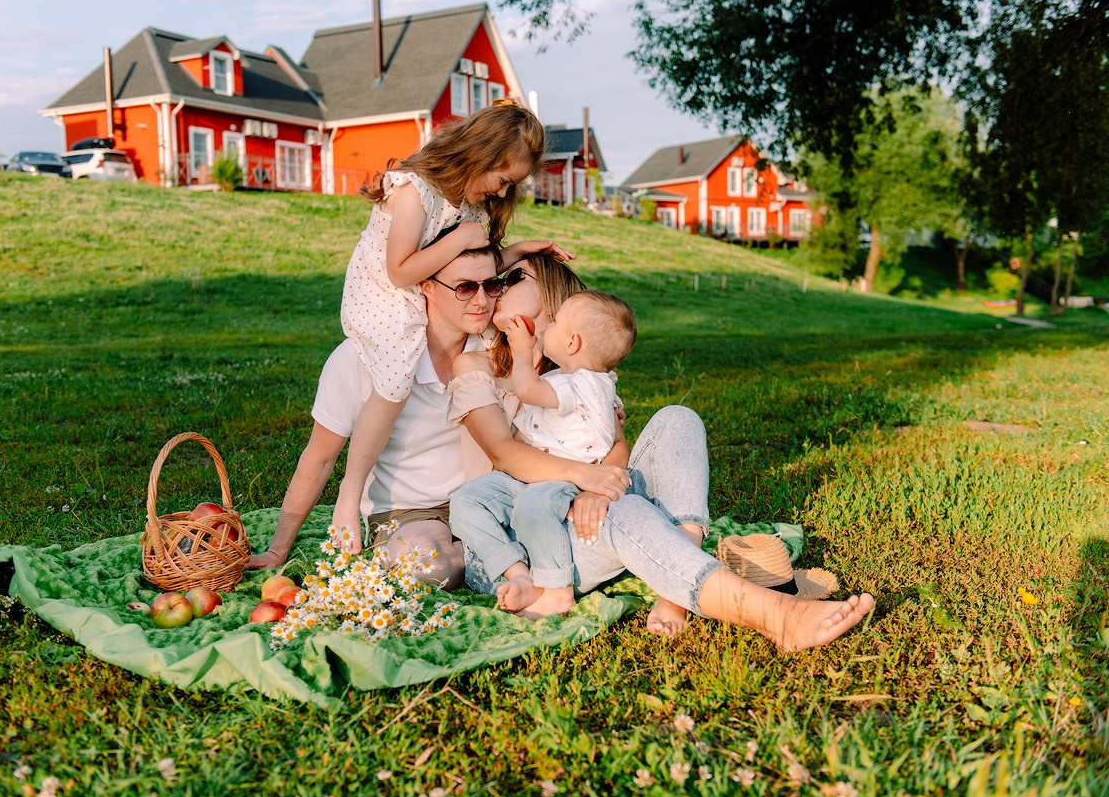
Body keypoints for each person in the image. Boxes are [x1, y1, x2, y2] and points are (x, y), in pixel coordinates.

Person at [447, 251, 875, 646]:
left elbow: (617, 448)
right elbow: (504, 453)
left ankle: (676, 582)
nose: (496, 286)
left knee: (678, 417)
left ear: (553, 299)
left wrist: (597, 491)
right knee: (630, 512)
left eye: (512, 277)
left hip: (580, 510)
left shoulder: (579, 375)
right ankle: (774, 614)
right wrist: (587, 480)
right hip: (517, 546)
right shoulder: (476, 365)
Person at [247, 244, 621, 587]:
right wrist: (279, 549)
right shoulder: (366, 358)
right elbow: (319, 457)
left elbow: (610, 435)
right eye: (464, 289)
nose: (484, 298)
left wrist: (593, 488)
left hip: (496, 501)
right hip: (410, 512)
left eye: (493, 285)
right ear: (425, 286)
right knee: (430, 566)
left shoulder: (504, 347)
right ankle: (522, 566)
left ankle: (527, 562)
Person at [330, 100, 548, 548]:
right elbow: (400, 270)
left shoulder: (470, 208)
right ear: (480, 155)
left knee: (496, 344)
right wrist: (464, 241)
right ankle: (348, 495)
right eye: (503, 180)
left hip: (429, 293)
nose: (504, 194)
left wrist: (521, 249)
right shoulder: (416, 191)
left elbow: (472, 270)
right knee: (393, 383)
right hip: (387, 297)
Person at [449, 289, 637, 618]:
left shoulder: (580, 384)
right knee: (466, 500)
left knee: (534, 507)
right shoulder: (567, 379)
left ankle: (557, 590)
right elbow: (516, 441)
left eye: (556, 323)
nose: (500, 290)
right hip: (520, 481)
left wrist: (523, 349)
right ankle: (520, 576)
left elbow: (527, 389)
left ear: (572, 342)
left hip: (556, 481)